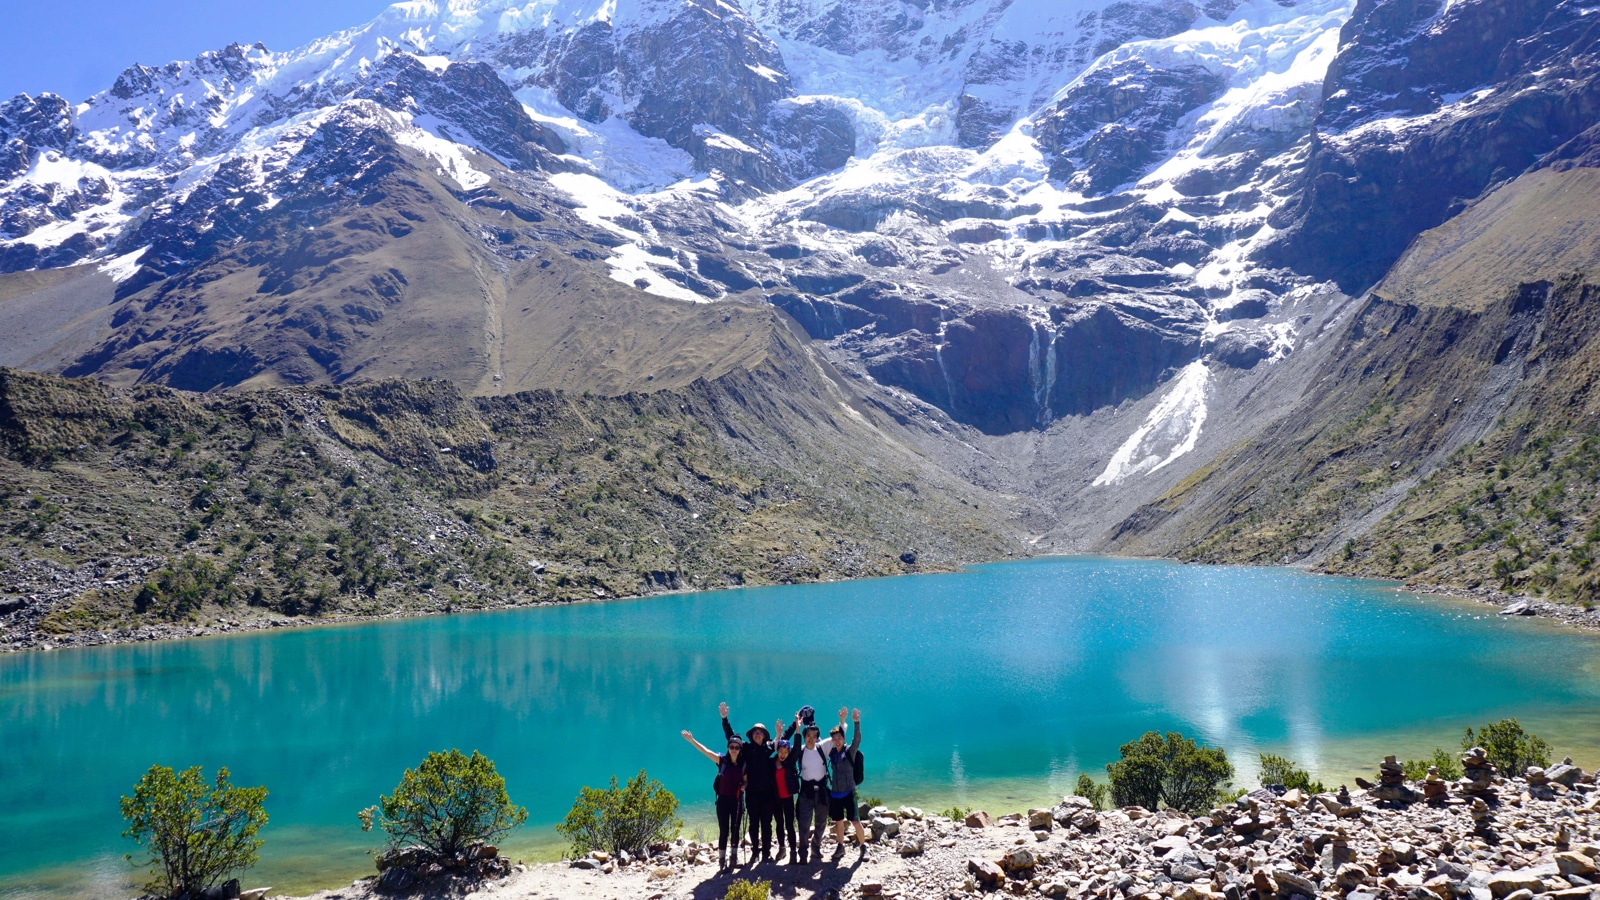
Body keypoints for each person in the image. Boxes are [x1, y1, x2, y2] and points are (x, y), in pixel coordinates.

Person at [720, 702, 778, 863]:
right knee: (753, 824)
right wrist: (725, 719)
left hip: (767, 793)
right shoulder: (745, 748)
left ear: (765, 735)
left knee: (766, 824)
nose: (757, 734)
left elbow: (784, 741)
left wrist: (795, 726)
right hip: (752, 793)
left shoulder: (769, 748)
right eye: (755, 732)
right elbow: (731, 738)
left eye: (760, 732)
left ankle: (766, 852)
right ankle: (755, 851)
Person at [681, 727, 746, 870]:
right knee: (724, 830)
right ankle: (722, 861)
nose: (734, 749)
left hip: (737, 801)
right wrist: (692, 741)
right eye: (731, 747)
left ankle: (733, 858)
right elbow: (705, 751)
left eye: (736, 747)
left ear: (740, 749)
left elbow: (746, 780)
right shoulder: (721, 760)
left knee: (735, 830)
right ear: (728, 748)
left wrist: (744, 786)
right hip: (723, 801)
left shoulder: (743, 765)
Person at [826, 707, 866, 855]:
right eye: (834, 738)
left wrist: (856, 722)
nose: (837, 740)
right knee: (838, 822)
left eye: (839, 738)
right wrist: (841, 721)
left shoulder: (850, 751)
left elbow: (857, 739)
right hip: (835, 793)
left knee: (855, 821)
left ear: (843, 738)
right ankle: (840, 846)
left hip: (849, 792)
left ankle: (863, 847)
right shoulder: (831, 753)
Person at [793, 713, 830, 864]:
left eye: (814, 736)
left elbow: (839, 737)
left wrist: (843, 721)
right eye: (808, 735)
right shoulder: (800, 751)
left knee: (821, 822)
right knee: (804, 823)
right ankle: (803, 852)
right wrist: (796, 728)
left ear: (817, 737)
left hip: (821, 791)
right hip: (806, 792)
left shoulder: (823, 748)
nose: (811, 738)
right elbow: (782, 752)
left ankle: (816, 847)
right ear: (804, 736)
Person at [771, 711, 800, 863]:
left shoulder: (790, 762)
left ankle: (793, 851)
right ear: (777, 751)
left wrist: (797, 730)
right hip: (776, 799)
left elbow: (796, 748)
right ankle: (782, 849)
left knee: (790, 824)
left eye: (785, 752)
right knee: (779, 824)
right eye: (780, 751)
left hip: (788, 798)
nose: (783, 754)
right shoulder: (772, 763)